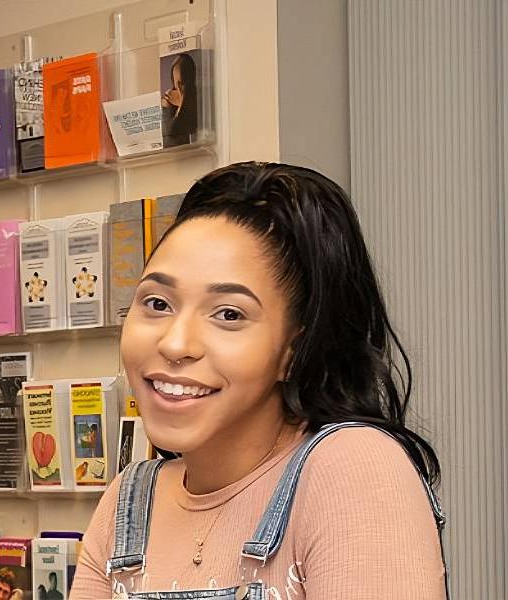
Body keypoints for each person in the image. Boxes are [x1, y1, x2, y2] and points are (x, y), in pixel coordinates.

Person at [71, 162, 446, 599]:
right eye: (157, 303)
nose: (175, 344)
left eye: (228, 314)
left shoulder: (351, 468)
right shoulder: (130, 500)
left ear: (294, 350)